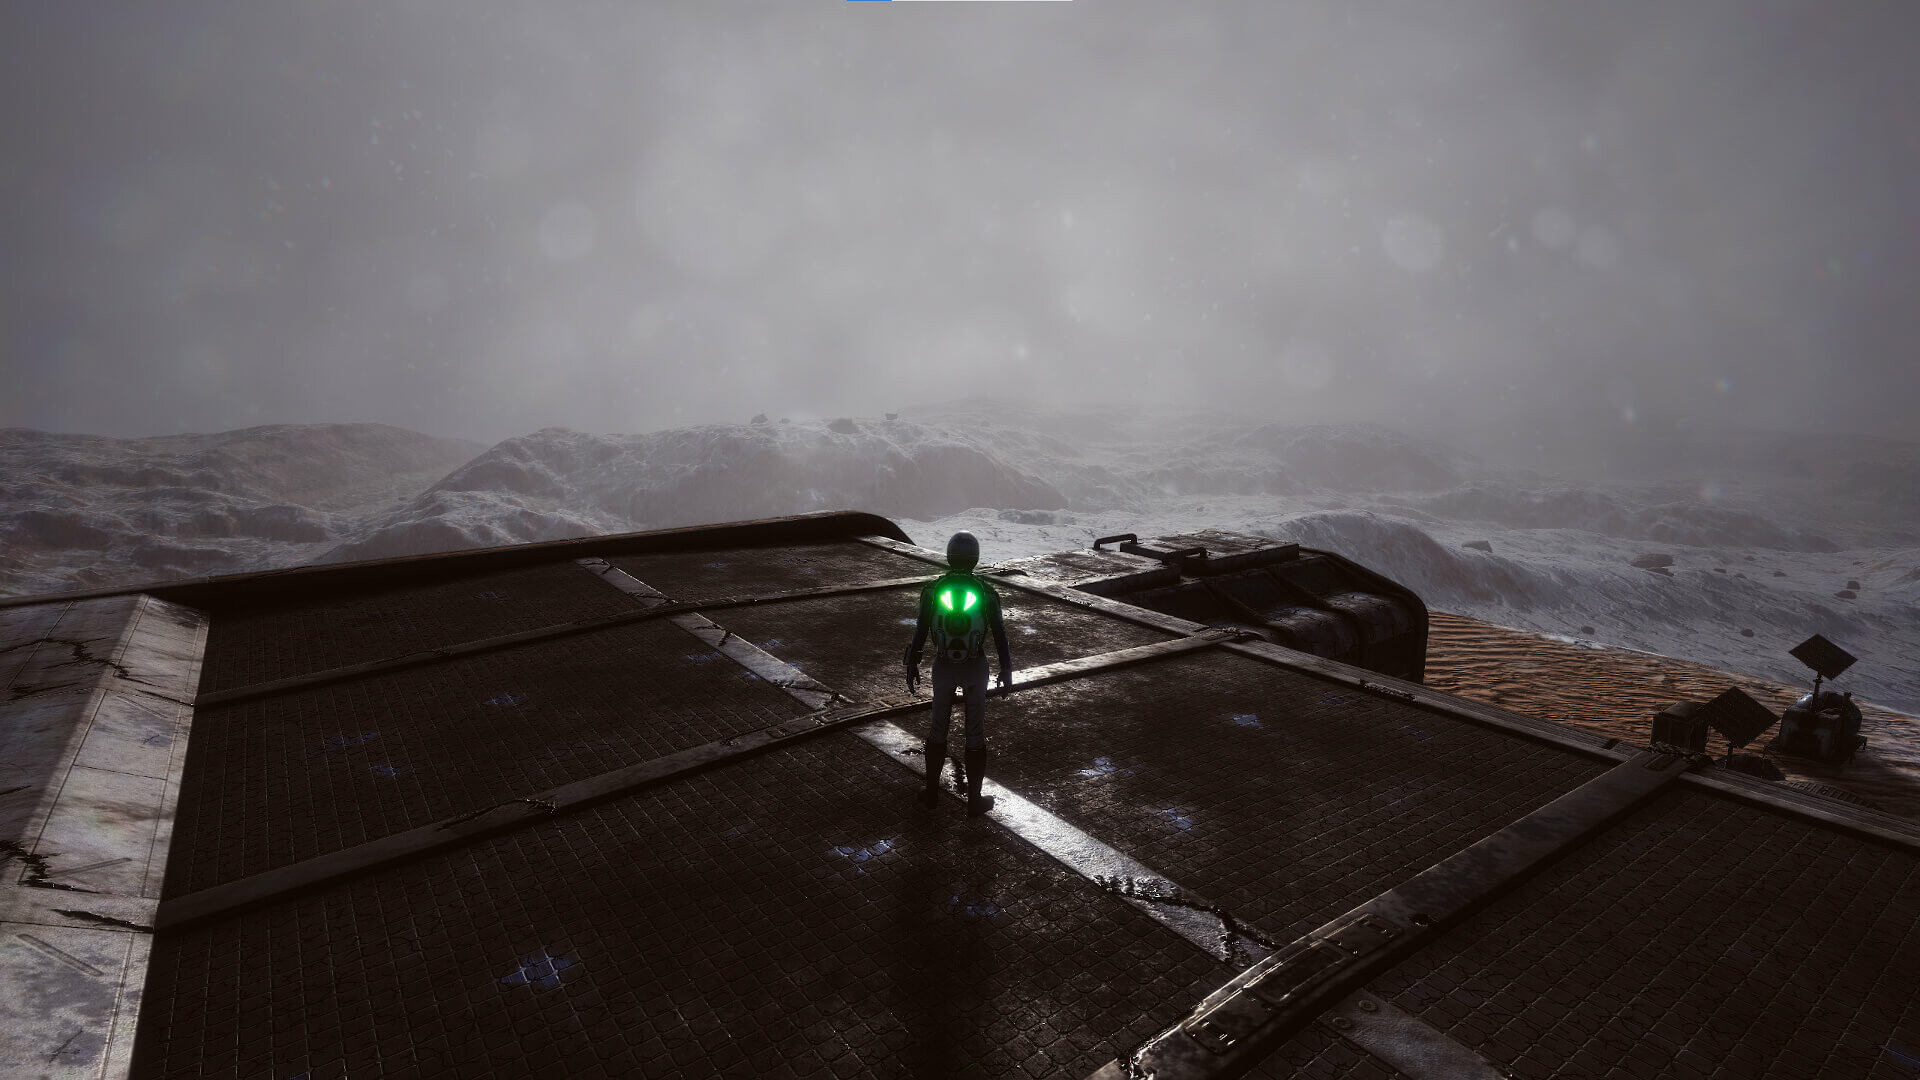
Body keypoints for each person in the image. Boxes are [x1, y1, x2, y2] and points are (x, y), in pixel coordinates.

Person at [903, 531, 1013, 817]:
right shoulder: (986, 592)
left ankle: (931, 793)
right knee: (975, 732)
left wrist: (912, 663)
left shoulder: (933, 590)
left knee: (937, 729)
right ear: (975, 558)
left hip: (943, 666)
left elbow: (921, 629)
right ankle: (974, 800)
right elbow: (999, 633)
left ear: (950, 556)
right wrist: (1006, 669)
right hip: (975, 667)